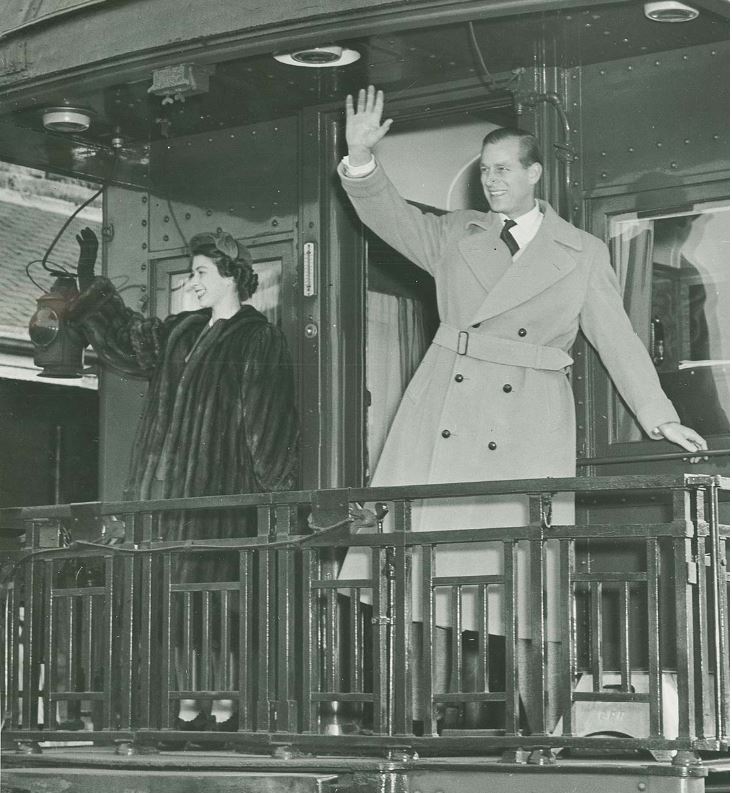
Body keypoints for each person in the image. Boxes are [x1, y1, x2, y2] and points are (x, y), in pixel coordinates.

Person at [337, 86, 708, 731]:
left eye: (503, 168)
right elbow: (387, 217)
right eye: (484, 170)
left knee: (526, 585)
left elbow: (616, 337)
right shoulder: (457, 233)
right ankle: (416, 728)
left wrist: (658, 414)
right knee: (425, 575)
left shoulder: (582, 252)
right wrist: (363, 161)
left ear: (535, 174)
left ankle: (544, 731)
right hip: (444, 413)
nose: (492, 180)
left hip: (527, 419)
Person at [70, 228, 299, 735]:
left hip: (219, 501)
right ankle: (184, 706)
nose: (192, 281)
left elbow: (269, 425)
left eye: (200, 273)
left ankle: (224, 707)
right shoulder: (181, 329)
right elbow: (129, 345)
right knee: (174, 610)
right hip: (163, 502)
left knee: (215, 609)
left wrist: (277, 500)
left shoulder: (258, 337)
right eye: (191, 271)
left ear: (231, 278)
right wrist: (91, 286)